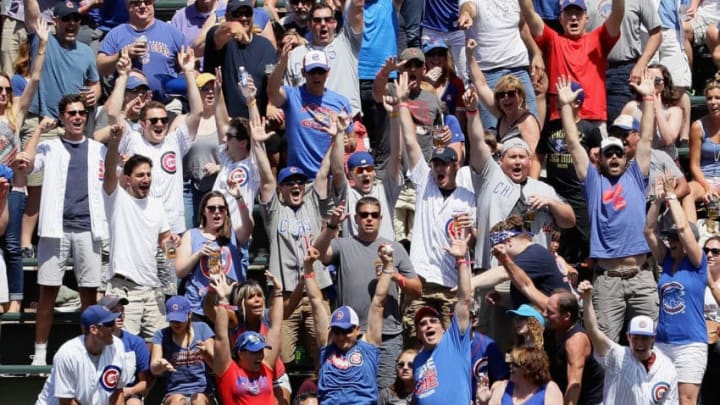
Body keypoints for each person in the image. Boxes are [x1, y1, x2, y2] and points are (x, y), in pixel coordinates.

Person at [557, 72, 659, 343]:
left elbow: (647, 138)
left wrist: (648, 98)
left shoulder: (636, 175)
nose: (614, 157)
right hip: (607, 281)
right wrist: (566, 107)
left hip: (641, 276)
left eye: (618, 153)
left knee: (650, 345)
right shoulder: (593, 182)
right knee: (606, 351)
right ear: (600, 159)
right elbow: (572, 144)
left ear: (626, 156)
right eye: (608, 153)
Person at [14, 94, 108, 366]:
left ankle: (88, 352)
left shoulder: (97, 149)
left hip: (88, 229)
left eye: (81, 113)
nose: (78, 117)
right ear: (63, 117)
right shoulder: (50, 147)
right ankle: (40, 355)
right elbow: (26, 163)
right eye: (72, 113)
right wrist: (40, 130)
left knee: (89, 294)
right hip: (55, 229)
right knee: (47, 293)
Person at [313, 197, 422, 388]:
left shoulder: (394, 248)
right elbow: (318, 252)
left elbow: (417, 289)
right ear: (356, 219)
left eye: (373, 215)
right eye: (364, 215)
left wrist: (393, 274)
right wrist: (331, 226)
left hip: (387, 335)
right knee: (352, 391)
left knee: (385, 393)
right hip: (349, 336)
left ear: (380, 219)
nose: (369, 219)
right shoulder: (342, 245)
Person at [21, 0, 101, 258]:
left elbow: (95, 84)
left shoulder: (86, 52)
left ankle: (63, 247)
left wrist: (94, 94)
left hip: (72, 127)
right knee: (35, 187)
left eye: (76, 19)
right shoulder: (44, 40)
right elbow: (33, 16)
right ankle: (24, 244)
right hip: (41, 122)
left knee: (66, 188)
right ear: (55, 21)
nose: (71, 24)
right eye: (66, 19)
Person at [102, 129, 174, 341]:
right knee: (123, 345)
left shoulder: (157, 205)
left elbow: (167, 246)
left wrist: (171, 247)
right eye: (140, 175)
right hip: (124, 289)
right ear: (127, 178)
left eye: (149, 174)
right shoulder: (116, 199)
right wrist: (114, 144)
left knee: (157, 348)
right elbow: (108, 171)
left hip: (153, 290)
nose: (146, 179)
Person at [304, 240, 394, 403]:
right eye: (337, 331)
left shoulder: (368, 346)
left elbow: (379, 301)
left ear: (357, 329)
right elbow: (316, 301)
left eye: (346, 330)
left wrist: (387, 267)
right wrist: (309, 268)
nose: (341, 336)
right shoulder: (327, 347)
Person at [645, 173, 707, 405]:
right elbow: (649, 232)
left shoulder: (697, 264)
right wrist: (657, 201)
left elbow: (682, 227)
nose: (671, 241)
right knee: (659, 398)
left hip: (690, 344)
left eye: (675, 239)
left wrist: (671, 196)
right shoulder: (667, 261)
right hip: (662, 342)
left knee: (686, 401)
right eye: (669, 238)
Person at [0, 18, 47, 313]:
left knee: (13, 246)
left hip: (14, 188)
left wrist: (42, 45)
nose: (3, 94)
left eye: (6, 89)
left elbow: (35, 81)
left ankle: (16, 300)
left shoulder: (14, 113)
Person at [520, 0, 623, 123]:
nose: (573, 18)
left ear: (586, 18)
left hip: (593, 118)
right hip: (560, 118)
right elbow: (528, 11)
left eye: (578, 13)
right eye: (568, 13)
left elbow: (618, 13)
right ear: (560, 19)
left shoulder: (599, 39)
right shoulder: (552, 40)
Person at [577, 280, 679, 404]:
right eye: (635, 337)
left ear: (653, 338)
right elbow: (593, 330)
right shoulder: (617, 356)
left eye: (645, 338)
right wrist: (587, 299)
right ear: (628, 337)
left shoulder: (667, 369)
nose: (640, 343)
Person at [533, 81, 601, 264]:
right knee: (558, 241)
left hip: (580, 194)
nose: (557, 102)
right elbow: (538, 158)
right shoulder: (550, 127)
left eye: (563, 98)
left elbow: (597, 163)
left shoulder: (590, 129)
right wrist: (532, 184)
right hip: (555, 193)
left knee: (586, 238)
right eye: (556, 98)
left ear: (577, 103)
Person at [269, 47, 354, 178]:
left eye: (321, 71)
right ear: (303, 73)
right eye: (312, 71)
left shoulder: (341, 102)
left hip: (330, 177)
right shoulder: (292, 95)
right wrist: (282, 64)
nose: (316, 76)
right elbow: (272, 92)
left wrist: (348, 143)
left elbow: (353, 140)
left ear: (328, 72)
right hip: (298, 178)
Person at [458, 1, 542, 130]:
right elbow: (469, 6)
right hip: (488, 73)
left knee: (531, 125)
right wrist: (466, 14)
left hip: (519, 68)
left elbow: (522, 27)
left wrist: (536, 53)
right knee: (493, 131)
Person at [413, 228, 474, 404]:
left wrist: (461, 260)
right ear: (418, 334)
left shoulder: (454, 341)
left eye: (433, 321)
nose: (428, 326)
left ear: (442, 326)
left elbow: (464, 300)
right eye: (422, 324)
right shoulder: (417, 362)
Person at [206, 270, 283, 404]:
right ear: (240, 354)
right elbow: (221, 337)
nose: (260, 355)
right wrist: (223, 299)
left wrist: (278, 291)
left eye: (260, 350)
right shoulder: (228, 371)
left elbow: (276, 327)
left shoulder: (265, 367)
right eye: (254, 352)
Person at [584, 0, 661, 124]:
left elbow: (656, 34)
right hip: (590, 69)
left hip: (623, 71)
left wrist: (641, 64)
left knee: (619, 125)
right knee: (589, 126)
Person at [284, 0, 363, 118]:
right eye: (317, 20)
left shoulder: (348, 43)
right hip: (310, 125)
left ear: (335, 23)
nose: (323, 23)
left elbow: (357, 7)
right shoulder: (296, 55)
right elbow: (288, 96)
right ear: (309, 25)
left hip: (346, 122)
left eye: (327, 19)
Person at [35, 304, 129, 404]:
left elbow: (118, 391)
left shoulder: (117, 346)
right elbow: (66, 400)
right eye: (109, 323)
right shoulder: (67, 354)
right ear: (94, 329)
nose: (114, 327)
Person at [175, 191, 249, 318]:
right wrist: (198, 254)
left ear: (226, 212)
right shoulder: (191, 235)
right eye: (211, 208)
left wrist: (239, 198)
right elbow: (180, 271)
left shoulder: (234, 234)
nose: (217, 211)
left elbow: (248, 225)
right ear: (203, 211)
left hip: (230, 306)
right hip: (198, 307)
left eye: (221, 208)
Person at [96, 0, 187, 100]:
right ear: (128, 6)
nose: (143, 6)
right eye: (136, 3)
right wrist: (122, 54)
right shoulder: (116, 34)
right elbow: (101, 67)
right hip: (129, 105)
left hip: (165, 104)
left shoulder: (172, 32)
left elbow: (191, 66)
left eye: (147, 2)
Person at [203, 0, 277, 119]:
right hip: (226, 121)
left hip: (256, 120)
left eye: (247, 13)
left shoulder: (266, 46)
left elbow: (272, 79)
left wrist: (271, 104)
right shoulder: (222, 42)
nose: (243, 18)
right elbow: (218, 34)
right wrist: (233, 26)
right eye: (237, 14)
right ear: (227, 16)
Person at [543, 290, 605, 405]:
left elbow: (574, 385)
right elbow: (527, 287)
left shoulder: (575, 341)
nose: (544, 314)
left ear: (566, 316)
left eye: (550, 312)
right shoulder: (552, 328)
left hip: (589, 400)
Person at [151, 295, 215, 405]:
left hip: (202, 390)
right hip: (174, 391)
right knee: (177, 401)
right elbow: (154, 368)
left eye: (180, 319)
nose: (176, 323)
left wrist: (206, 355)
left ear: (189, 315)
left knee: (198, 400)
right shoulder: (160, 335)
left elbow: (217, 366)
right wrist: (161, 365)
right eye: (173, 320)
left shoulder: (203, 329)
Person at [621, 64, 683, 160]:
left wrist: (657, 108)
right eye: (648, 79)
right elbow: (619, 136)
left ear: (665, 83)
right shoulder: (632, 107)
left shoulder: (674, 111)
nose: (652, 84)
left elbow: (668, 140)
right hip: (637, 160)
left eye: (657, 80)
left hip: (666, 162)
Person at [99, 295, 151, 404]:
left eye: (121, 311)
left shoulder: (136, 342)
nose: (120, 316)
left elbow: (145, 382)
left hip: (129, 393)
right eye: (114, 312)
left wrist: (130, 390)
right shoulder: (95, 342)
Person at [683, 77, 720, 223]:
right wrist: (708, 187)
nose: (713, 102)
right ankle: (691, 237)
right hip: (703, 179)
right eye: (710, 98)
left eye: (718, 98)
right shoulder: (698, 126)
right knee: (687, 193)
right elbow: (694, 165)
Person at [475, 347, 564, 405]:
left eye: (515, 364)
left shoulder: (550, 389)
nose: (511, 367)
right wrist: (484, 402)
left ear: (530, 369)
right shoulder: (502, 388)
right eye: (511, 363)